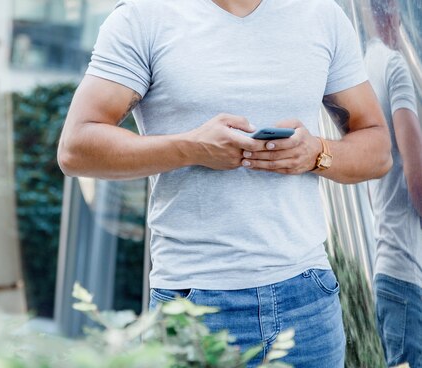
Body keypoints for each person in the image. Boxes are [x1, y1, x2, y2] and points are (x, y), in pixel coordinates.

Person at [58, 0, 392, 366]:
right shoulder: (142, 17)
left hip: (308, 299)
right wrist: (192, 148)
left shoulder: (321, 14)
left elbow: (377, 150)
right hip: (194, 303)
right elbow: (76, 148)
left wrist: (317, 153)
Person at [365, 1, 422, 366]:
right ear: (392, 13)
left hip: (389, 276)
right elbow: (417, 178)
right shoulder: (395, 66)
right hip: (407, 272)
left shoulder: (364, 70)